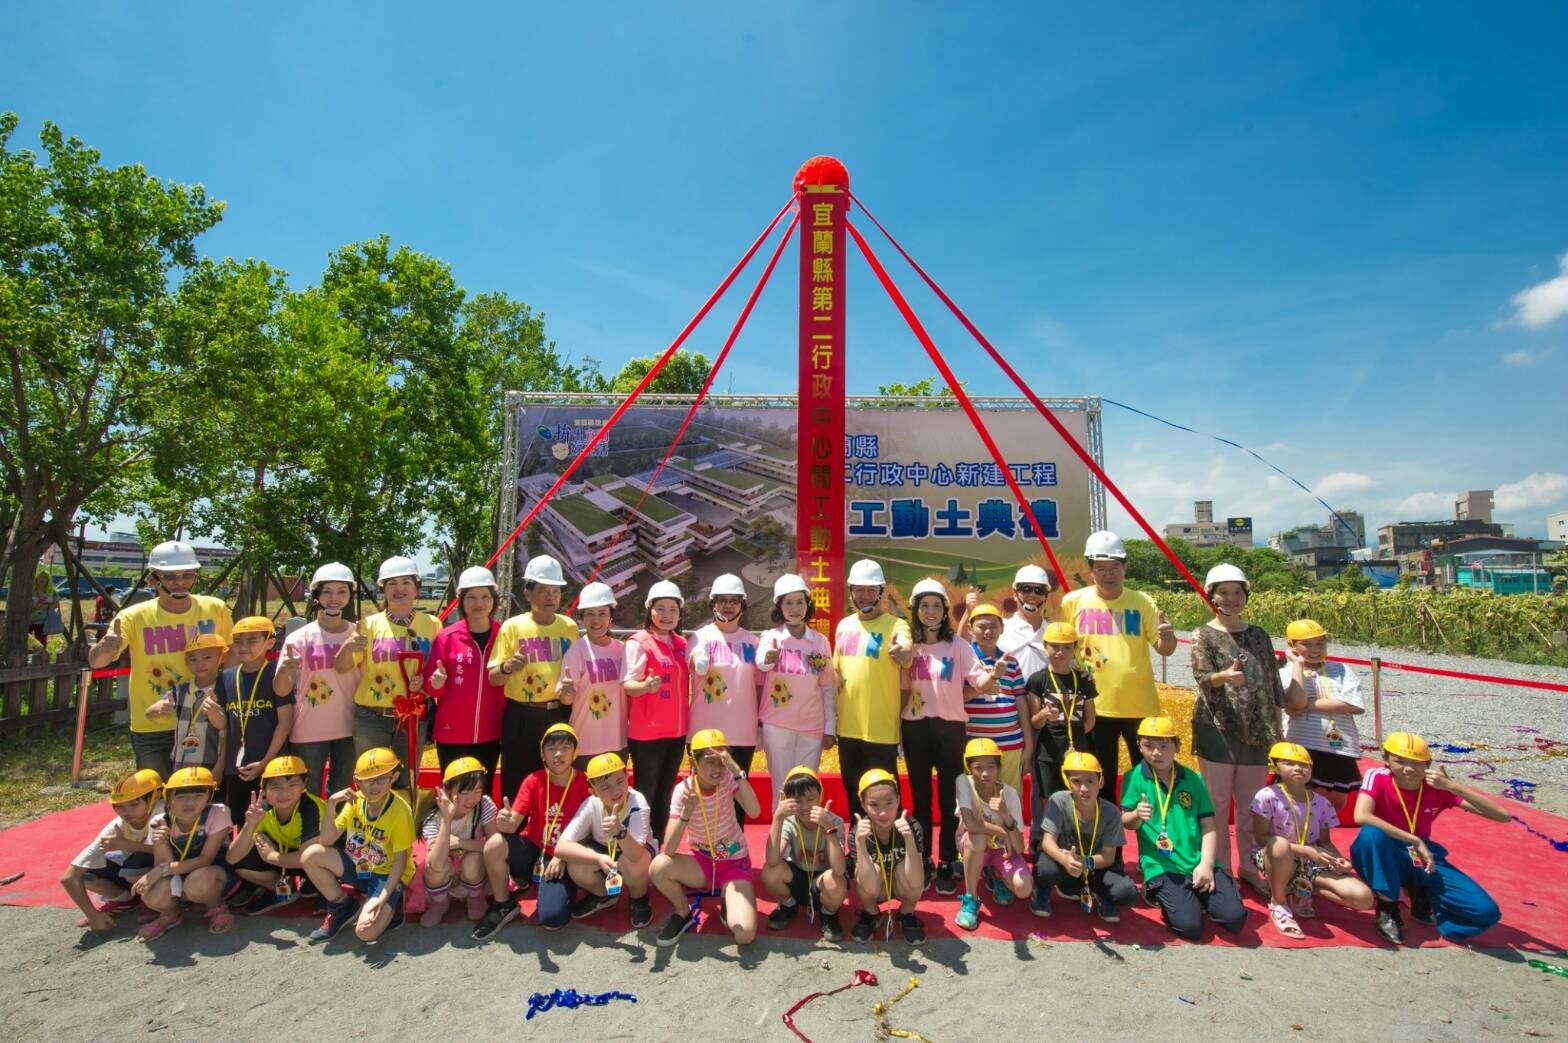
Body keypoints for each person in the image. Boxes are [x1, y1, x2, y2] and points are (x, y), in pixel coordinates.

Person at [1189, 564, 1303, 877]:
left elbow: (1271, 682)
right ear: (1211, 596)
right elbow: (1202, 676)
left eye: (1237, 592)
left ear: (1246, 596)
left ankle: (1250, 867)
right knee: (1218, 802)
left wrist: (1276, 729)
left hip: (1258, 730)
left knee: (1251, 806)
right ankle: (1221, 867)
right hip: (1217, 729)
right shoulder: (1203, 634)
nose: (1231, 599)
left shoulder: (1258, 636)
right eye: (1223, 593)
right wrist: (1223, 676)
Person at [88, 540, 234, 779]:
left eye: (188, 575)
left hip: (205, 720)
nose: (181, 583)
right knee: (155, 793)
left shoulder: (215, 609)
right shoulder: (133, 617)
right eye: (170, 577)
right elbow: (96, 662)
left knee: (199, 794)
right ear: (152, 579)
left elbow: (230, 659)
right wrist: (105, 646)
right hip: (153, 725)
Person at [1351, 732, 1508, 945]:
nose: (1409, 768)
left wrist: (1454, 787)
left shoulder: (1437, 787)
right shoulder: (1378, 776)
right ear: (1386, 759)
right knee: (1371, 834)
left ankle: (1430, 902)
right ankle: (1388, 906)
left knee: (1487, 913)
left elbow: (1503, 816)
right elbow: (1361, 816)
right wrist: (1415, 840)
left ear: (1428, 764)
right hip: (1388, 848)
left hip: (1424, 857)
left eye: (1417, 763)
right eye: (1400, 761)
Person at [1062, 531, 1176, 803]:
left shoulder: (1142, 601)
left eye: (1115, 567)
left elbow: (1164, 648)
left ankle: (1153, 840)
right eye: (1101, 568)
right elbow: (1063, 647)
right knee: (1102, 780)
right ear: (1090, 570)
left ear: (1125, 567)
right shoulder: (1073, 602)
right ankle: (1110, 844)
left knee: (1148, 782)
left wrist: (1169, 636)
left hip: (1140, 706)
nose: (1108, 574)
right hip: (1095, 707)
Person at [901, 578, 993, 896]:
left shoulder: (958, 645)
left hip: (951, 730)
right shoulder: (907, 646)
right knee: (922, 800)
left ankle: (946, 861)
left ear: (944, 611)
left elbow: (979, 680)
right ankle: (923, 859)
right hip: (914, 729)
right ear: (915, 610)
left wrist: (992, 677)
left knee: (950, 799)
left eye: (936, 606)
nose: (930, 611)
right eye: (924, 605)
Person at [1120, 717, 1246, 941]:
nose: (1156, 753)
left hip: (1198, 861)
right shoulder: (1134, 778)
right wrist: (1136, 815)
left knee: (1235, 919)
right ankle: (1160, 893)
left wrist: (1207, 864)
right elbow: (1127, 822)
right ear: (1139, 745)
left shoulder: (1194, 779)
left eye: (1164, 746)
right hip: (1162, 864)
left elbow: (1209, 826)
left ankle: (1198, 896)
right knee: (1190, 927)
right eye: (1148, 746)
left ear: (1177, 746)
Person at [471, 723, 589, 940]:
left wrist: (563, 856)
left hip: (563, 857)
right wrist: (506, 822)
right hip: (534, 850)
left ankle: (556, 888)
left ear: (575, 752)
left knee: (552, 920)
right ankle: (503, 904)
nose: (558, 754)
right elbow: (512, 823)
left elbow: (590, 832)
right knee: (495, 843)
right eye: (551, 749)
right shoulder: (533, 780)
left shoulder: (586, 783)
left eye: (565, 747)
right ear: (543, 754)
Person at [649, 728, 762, 948]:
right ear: (694, 762)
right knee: (658, 867)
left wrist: (737, 770)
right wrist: (686, 814)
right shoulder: (684, 791)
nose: (717, 769)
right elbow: (669, 850)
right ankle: (684, 913)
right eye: (710, 761)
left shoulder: (729, 778)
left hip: (733, 862)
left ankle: (727, 895)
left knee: (744, 934)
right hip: (701, 863)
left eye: (721, 761)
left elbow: (755, 811)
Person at [1249, 742, 1373, 939]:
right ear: (1275, 766)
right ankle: (1279, 902)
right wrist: (1304, 850)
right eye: (1289, 763)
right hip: (1275, 856)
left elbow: (1324, 842)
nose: (1298, 768)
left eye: (1304, 765)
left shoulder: (1322, 803)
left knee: (1363, 898)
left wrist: (1338, 860)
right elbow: (1261, 837)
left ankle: (1300, 888)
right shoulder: (1267, 796)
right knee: (1279, 845)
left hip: (1310, 861)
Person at [339, 555, 439, 794]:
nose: (399, 589)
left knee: (406, 780)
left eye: (406, 582)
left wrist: (424, 684)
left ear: (417, 587)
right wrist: (347, 647)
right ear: (382, 588)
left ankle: (403, 829)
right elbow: (343, 666)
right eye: (392, 583)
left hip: (413, 716)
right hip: (372, 718)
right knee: (369, 780)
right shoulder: (368, 625)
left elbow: (438, 670)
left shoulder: (433, 624)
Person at [301, 747, 415, 944]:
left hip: (386, 875)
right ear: (357, 779)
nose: (374, 785)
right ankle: (342, 906)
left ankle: (394, 902)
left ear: (394, 777)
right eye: (367, 779)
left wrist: (383, 896)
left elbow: (400, 861)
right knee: (310, 855)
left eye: (382, 778)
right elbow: (326, 840)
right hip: (360, 866)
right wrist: (331, 804)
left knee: (365, 932)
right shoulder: (356, 800)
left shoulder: (400, 811)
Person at [488, 555, 577, 805]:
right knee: (517, 780)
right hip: (522, 716)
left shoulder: (569, 627)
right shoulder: (512, 627)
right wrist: (507, 667)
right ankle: (514, 837)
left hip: (559, 713)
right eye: (544, 590)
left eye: (555, 591)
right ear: (527, 593)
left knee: (558, 778)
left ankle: (552, 834)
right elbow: (494, 679)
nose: (551, 597)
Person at [832, 559, 913, 822]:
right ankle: (858, 847)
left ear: (881, 592)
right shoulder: (844, 626)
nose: (864, 595)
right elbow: (835, 672)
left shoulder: (896, 625)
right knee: (852, 789)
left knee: (884, 793)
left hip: (881, 729)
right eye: (859, 589)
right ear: (851, 591)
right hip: (847, 728)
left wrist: (903, 652)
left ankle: (889, 849)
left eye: (870, 589)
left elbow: (906, 648)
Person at [276, 563, 360, 796]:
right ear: (316, 595)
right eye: (327, 592)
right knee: (308, 794)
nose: (334, 599)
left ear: (350, 595)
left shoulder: (359, 634)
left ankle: (338, 834)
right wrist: (284, 671)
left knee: (343, 793)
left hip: (350, 727)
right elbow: (281, 691)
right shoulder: (299, 637)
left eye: (342, 591)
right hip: (308, 729)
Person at [757, 574, 836, 809]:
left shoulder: (820, 642)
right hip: (777, 725)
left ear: (807, 605)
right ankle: (781, 843)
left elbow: (828, 687)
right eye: (788, 603)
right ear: (779, 607)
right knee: (781, 787)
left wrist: (830, 728)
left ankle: (804, 841)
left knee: (807, 788)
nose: (794, 608)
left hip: (811, 727)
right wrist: (769, 659)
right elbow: (761, 664)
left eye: (799, 602)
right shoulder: (771, 637)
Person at [130, 766, 236, 941]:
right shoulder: (159, 821)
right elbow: (162, 862)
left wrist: (159, 871)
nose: (190, 803)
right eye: (181, 797)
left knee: (198, 880)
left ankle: (217, 907)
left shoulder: (218, 812)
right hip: (177, 875)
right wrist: (160, 842)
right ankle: (170, 915)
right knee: (151, 894)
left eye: (199, 796)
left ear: (209, 796)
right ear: (168, 799)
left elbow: (206, 859)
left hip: (212, 875)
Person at [622, 580, 691, 845]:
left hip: (676, 733)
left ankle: (659, 841)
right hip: (646, 734)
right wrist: (646, 686)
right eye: (660, 608)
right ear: (649, 610)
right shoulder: (639, 643)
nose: (666, 615)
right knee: (645, 791)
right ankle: (638, 843)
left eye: (672, 609)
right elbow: (628, 684)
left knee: (665, 792)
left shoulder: (681, 643)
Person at [553, 752, 656, 928]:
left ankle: (639, 899)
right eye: (605, 787)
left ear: (627, 777)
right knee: (576, 865)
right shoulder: (591, 803)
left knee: (633, 862)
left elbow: (637, 852)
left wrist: (620, 832)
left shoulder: (637, 801)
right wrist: (597, 858)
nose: (616, 791)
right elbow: (561, 847)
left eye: (620, 781)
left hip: (635, 851)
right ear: (592, 790)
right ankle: (604, 894)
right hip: (605, 853)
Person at [426, 566, 505, 787]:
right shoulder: (447, 637)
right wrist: (436, 683)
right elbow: (431, 688)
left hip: (491, 731)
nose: (478, 603)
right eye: (471, 597)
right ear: (461, 600)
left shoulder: (505, 635)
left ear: (493, 600)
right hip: (452, 733)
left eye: (484, 596)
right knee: (454, 792)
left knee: (483, 792)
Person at [1035, 752, 1137, 921]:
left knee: (1127, 894)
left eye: (1090, 781)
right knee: (1044, 869)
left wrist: (1084, 862)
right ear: (1068, 782)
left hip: (1097, 866)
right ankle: (1046, 890)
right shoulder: (1058, 801)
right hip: (1066, 863)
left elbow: (1109, 857)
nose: (1083, 788)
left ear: (1101, 782)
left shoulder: (1111, 812)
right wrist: (1064, 859)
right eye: (1076, 781)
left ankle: (1100, 892)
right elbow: (1047, 841)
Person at [1025, 619, 1097, 858]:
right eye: (1055, 646)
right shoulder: (1037, 679)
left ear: (1074, 648)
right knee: (1049, 799)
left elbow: (1089, 721)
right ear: (1045, 647)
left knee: (1078, 796)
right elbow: (1033, 721)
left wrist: (1074, 741)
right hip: (1047, 751)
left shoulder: (1083, 679)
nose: (1060, 652)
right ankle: (1049, 843)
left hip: (1077, 752)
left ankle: (1075, 841)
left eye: (1066, 647)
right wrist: (1045, 714)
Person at [61, 769, 163, 933]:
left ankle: (151, 902)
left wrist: (127, 845)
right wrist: (92, 914)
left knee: (135, 865)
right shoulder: (117, 825)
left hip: (170, 869)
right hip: (139, 872)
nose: (125, 812)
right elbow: (69, 876)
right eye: (119, 806)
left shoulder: (164, 814)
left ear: (155, 797)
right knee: (87, 873)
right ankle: (125, 900)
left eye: (133, 804)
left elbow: (173, 854)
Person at [1279, 619, 1366, 810]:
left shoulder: (1341, 669)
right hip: (1303, 744)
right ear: (1292, 646)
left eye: (1320, 643)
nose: (1315, 649)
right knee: (1298, 803)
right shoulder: (1287, 672)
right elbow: (1295, 702)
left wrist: (1310, 704)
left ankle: (1321, 839)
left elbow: (1353, 704)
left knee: (1333, 806)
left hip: (1338, 746)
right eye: (1306, 644)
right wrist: (1298, 665)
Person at [225, 755, 326, 916]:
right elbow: (232, 858)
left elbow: (309, 857)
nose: (284, 793)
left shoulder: (311, 807)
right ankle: (285, 888)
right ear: (264, 790)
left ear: (304, 784)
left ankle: (323, 889)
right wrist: (250, 825)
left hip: (312, 860)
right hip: (287, 858)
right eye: (276, 787)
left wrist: (272, 857)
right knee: (242, 864)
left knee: (318, 859)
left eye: (292, 785)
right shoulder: (262, 809)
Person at [761, 765, 848, 941]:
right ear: (787, 800)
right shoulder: (789, 821)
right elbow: (772, 860)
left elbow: (839, 870)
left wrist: (829, 829)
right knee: (770, 871)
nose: (805, 806)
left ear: (820, 796)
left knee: (837, 881)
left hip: (822, 883)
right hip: (797, 880)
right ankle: (789, 905)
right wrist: (778, 817)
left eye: (811, 799)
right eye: (797, 800)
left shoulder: (833, 820)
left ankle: (828, 913)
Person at [217, 616, 291, 819]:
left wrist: (266, 762)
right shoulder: (226, 676)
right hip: (236, 767)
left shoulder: (277, 673)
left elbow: (285, 722)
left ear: (270, 642)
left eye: (251, 640)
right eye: (238, 641)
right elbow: (224, 726)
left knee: (272, 819)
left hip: (272, 765)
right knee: (241, 820)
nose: (243, 646)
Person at [953, 738, 1031, 931]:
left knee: (1024, 889)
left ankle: (997, 874)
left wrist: (1005, 814)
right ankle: (970, 899)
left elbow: (1019, 847)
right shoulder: (964, 784)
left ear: (998, 768)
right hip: (973, 845)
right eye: (978, 767)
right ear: (969, 767)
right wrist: (1003, 832)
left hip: (1000, 851)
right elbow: (971, 824)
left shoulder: (1009, 794)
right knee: (977, 837)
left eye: (991, 766)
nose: (985, 773)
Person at [418, 756, 499, 925]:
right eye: (464, 792)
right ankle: (440, 902)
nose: (471, 799)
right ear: (447, 790)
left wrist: (460, 842)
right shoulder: (434, 815)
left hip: (474, 871)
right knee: (432, 867)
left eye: (477, 790)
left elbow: (495, 847)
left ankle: (475, 896)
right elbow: (435, 864)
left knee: (473, 859)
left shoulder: (484, 805)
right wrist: (447, 820)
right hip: (446, 874)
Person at [848, 769, 925, 945]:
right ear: (863, 804)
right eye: (874, 805)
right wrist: (860, 843)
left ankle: (906, 914)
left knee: (907, 866)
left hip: (902, 885)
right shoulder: (857, 833)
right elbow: (865, 883)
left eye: (889, 803)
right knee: (867, 870)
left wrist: (909, 840)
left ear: (898, 800)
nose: (883, 813)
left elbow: (917, 879)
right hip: (876, 886)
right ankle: (872, 914)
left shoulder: (912, 826)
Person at [559, 582, 628, 767]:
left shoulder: (622, 650)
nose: (596, 620)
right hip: (584, 746)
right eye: (589, 614)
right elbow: (566, 700)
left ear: (611, 617)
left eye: (602, 613)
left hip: (617, 743)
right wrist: (566, 692)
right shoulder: (576, 652)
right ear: (582, 617)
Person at [965, 603, 1030, 797]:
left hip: (1010, 743)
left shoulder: (1011, 661)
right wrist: (982, 686)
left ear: (1001, 629)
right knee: (978, 802)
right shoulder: (965, 657)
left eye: (993, 626)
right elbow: (957, 698)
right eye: (981, 626)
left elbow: (1021, 704)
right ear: (970, 629)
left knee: (1010, 799)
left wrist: (1029, 745)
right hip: (976, 746)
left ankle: (1011, 829)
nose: (988, 631)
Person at [145, 632, 229, 773]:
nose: (200, 664)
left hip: (211, 764)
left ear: (222, 657)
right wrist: (159, 707)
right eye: (193, 659)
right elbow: (148, 713)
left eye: (207, 657)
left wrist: (218, 770)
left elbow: (225, 729)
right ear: (186, 662)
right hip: (180, 764)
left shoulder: (225, 690)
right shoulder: (180, 690)